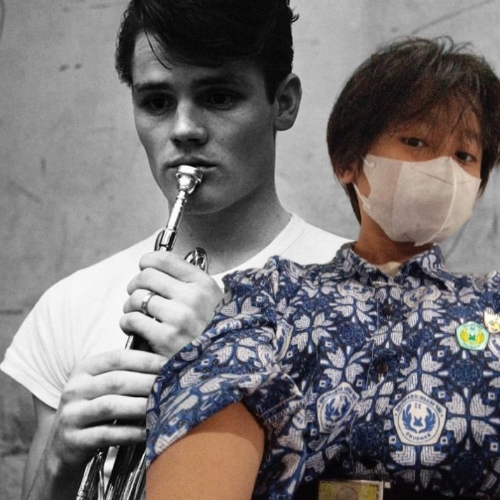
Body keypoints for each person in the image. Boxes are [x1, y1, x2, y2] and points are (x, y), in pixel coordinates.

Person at [0, 1, 349, 499]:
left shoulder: (367, 293)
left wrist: (228, 361)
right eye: (157, 102)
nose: (184, 129)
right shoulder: (68, 306)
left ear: (284, 102)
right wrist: (58, 462)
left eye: (219, 96)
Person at [146, 37, 500, 500]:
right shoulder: (271, 295)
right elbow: (218, 402)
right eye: (416, 141)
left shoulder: (492, 303)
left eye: (465, 156)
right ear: (349, 161)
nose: (442, 169)